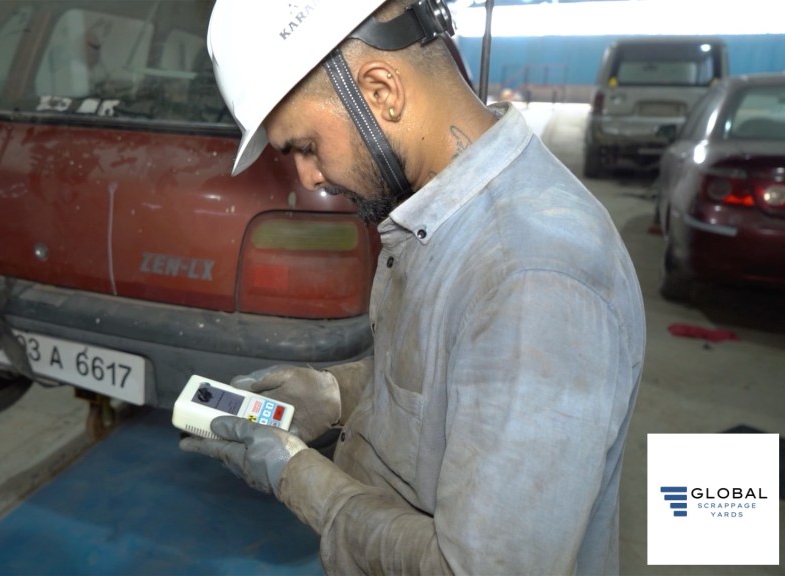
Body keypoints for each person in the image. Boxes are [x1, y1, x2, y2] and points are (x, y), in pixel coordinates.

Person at [179, 0, 646, 574]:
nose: (309, 177)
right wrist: (336, 392)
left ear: (381, 92)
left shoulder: (535, 280)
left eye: (306, 146)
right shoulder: (441, 214)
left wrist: (296, 476)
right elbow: (453, 382)